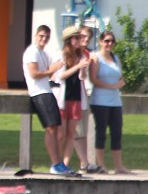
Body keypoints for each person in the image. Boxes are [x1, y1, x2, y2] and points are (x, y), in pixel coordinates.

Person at [22, 24, 75, 175]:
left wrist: (57, 70)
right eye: (41, 36)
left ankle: (59, 163)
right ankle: (55, 164)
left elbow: (49, 75)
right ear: (36, 36)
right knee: (51, 128)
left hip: (47, 91)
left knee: (56, 128)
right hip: (39, 93)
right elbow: (34, 74)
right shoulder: (31, 52)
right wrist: (52, 69)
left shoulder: (43, 53)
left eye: (46, 37)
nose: (43, 39)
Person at [88, 30, 132, 174]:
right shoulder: (96, 57)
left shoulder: (115, 58)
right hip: (100, 100)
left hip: (115, 101)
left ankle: (119, 166)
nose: (109, 44)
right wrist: (112, 86)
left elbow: (119, 75)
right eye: (106, 41)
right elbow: (93, 79)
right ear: (101, 42)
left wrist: (120, 83)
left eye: (112, 41)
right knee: (101, 132)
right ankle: (102, 165)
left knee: (117, 133)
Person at [53, 26, 91, 173]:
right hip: (63, 98)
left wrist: (82, 68)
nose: (79, 40)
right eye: (76, 38)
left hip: (76, 98)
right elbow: (59, 76)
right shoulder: (62, 56)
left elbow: (82, 77)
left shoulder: (81, 56)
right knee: (61, 134)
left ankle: (66, 163)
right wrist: (77, 66)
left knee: (71, 133)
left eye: (79, 37)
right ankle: (56, 162)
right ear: (69, 40)